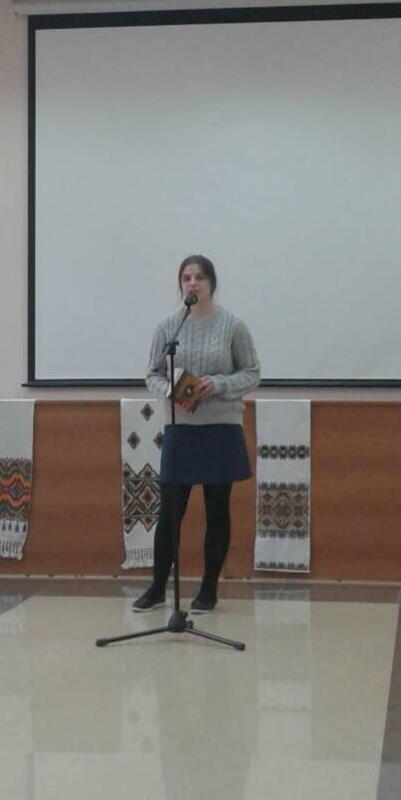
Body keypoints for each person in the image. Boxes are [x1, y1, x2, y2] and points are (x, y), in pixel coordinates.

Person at [133, 255, 260, 615]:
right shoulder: (168, 327)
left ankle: (208, 590)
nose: (192, 283)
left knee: (217, 511)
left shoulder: (233, 326)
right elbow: (152, 374)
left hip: (221, 428)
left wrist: (217, 384)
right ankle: (158, 588)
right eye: (186, 278)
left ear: (212, 284)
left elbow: (252, 372)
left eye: (199, 277)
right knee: (171, 513)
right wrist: (172, 392)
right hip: (182, 430)